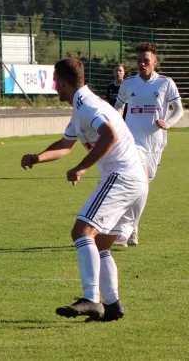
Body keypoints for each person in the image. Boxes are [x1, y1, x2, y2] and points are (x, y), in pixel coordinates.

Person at [21, 58, 149, 321]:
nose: (54, 86)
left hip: (122, 176)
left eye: (55, 81)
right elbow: (66, 145)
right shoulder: (82, 107)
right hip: (135, 181)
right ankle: (112, 305)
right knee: (101, 244)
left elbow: (110, 135)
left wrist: (81, 167)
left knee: (82, 231)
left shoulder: (87, 105)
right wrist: (37, 157)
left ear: (63, 83)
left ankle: (92, 299)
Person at [114, 42, 184, 246]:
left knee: (144, 186)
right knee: (139, 182)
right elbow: (118, 106)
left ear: (155, 62)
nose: (141, 64)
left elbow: (178, 109)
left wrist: (167, 122)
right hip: (133, 142)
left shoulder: (165, 83)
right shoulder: (128, 84)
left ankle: (131, 227)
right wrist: (118, 126)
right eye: (138, 60)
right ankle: (127, 230)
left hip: (156, 143)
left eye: (145, 60)